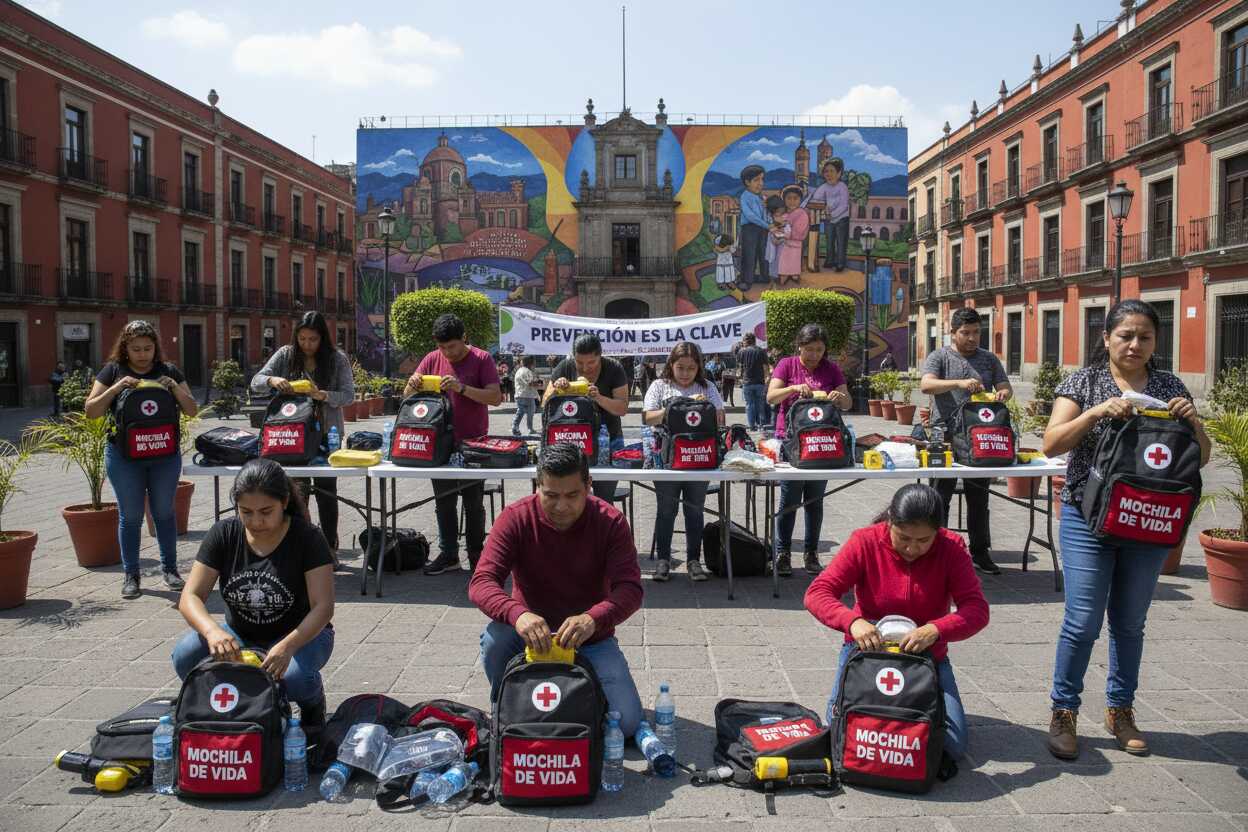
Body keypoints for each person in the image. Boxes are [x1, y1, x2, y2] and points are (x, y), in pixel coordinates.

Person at [1041, 299, 1210, 760]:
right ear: (1107, 338)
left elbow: (1204, 455)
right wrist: (1095, 413)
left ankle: (1121, 710)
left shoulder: (1169, 385)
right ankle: (1064, 712)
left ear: (1156, 341)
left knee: (1130, 623)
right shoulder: (1084, 381)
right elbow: (1052, 442)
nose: (1135, 345)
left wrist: (1192, 423)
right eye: (1126, 336)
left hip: (1146, 518)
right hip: (1086, 516)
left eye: (1145, 337)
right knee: (1082, 622)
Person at [804, 484, 988, 765]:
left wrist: (937, 629)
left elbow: (976, 609)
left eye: (924, 540)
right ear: (890, 521)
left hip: (927, 658)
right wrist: (853, 623)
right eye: (903, 538)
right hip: (867, 656)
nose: (912, 548)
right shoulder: (865, 541)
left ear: (938, 531)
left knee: (951, 746)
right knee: (841, 731)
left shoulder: (952, 548)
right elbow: (818, 593)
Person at [469, 444, 644, 736]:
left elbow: (630, 589)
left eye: (573, 495)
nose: (561, 506)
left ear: (589, 485)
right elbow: (481, 581)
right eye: (550, 495)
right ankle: (510, 703)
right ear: (538, 485)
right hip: (527, 637)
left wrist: (593, 618)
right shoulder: (515, 517)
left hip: (590, 639)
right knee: (494, 640)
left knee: (625, 725)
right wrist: (517, 614)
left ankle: (573, 702)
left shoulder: (610, 521)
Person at [172, 459, 334, 735]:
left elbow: (323, 607)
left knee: (293, 679)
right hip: (239, 633)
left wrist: (289, 646)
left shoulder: (308, 537)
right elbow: (190, 597)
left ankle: (313, 702)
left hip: (303, 635)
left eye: (266, 512)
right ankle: (234, 701)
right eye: (246, 512)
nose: (256, 521)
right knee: (185, 656)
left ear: (284, 502)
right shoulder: (224, 533)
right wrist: (213, 632)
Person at [85, 320, 199, 599]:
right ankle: (131, 575)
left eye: (148, 348)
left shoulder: (169, 370)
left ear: (155, 347)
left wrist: (174, 387)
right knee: (131, 516)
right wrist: (115, 388)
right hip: (124, 456)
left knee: (164, 512)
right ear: (125, 348)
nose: (142, 354)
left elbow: (192, 409)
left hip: (163, 454)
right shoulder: (112, 371)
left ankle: (170, 570)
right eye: (136, 349)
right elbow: (91, 411)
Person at [404, 313, 502, 575]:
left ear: (464, 338)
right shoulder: (431, 359)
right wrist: (412, 385)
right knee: (444, 501)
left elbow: (495, 397)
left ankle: (476, 554)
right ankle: (448, 554)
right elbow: (406, 396)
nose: (447, 353)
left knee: (473, 501)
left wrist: (461, 388)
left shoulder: (482, 358)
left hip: (473, 442)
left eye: (452, 347)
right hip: (438, 443)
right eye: (442, 347)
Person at [251, 311, 355, 557]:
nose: (307, 345)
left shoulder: (337, 359)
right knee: (297, 493)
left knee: (326, 492)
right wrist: (273, 380)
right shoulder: (286, 354)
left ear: (323, 338)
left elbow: (348, 395)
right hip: (292, 434)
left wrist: (323, 395)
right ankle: (301, 549)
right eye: (303, 339)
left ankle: (329, 547)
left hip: (327, 435)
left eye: (313, 340)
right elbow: (256, 380)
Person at [919, 307, 1013, 575]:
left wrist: (1003, 394)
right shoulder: (940, 356)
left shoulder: (989, 359)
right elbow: (926, 385)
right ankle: (938, 551)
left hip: (979, 437)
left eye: (976, 333)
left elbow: (1005, 385)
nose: (972, 338)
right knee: (940, 495)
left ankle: (980, 552)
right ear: (953, 333)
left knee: (978, 498)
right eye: (966, 333)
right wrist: (959, 383)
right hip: (944, 435)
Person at [767, 323, 851, 576]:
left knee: (814, 500)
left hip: (822, 442)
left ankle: (811, 553)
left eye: (819, 350)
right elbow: (771, 397)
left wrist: (839, 397)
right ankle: (782, 553)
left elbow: (847, 402)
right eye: (809, 349)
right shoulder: (787, 364)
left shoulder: (832, 369)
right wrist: (793, 388)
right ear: (799, 346)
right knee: (789, 499)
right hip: (791, 440)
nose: (814, 355)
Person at [643, 342, 725, 582]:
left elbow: (720, 419)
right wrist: (673, 406)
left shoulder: (707, 386)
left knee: (694, 510)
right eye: (681, 367)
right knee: (666, 511)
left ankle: (693, 560)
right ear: (671, 365)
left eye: (691, 368)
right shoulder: (660, 386)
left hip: (699, 458)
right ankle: (663, 560)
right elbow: (647, 417)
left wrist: (705, 406)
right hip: (668, 460)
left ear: (698, 367)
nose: (686, 373)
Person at [542, 334, 630, 503]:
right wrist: (556, 391)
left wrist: (598, 397)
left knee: (604, 501)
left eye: (591, 363)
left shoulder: (614, 368)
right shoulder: (565, 367)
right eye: (579, 362)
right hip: (572, 442)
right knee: (573, 499)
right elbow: (545, 405)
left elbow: (622, 408)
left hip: (608, 441)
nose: (585, 368)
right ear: (573, 356)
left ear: (600, 356)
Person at [801, 158, 851, 272]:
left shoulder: (842, 187)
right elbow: (816, 199)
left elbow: (844, 206)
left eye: (832, 171)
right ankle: (829, 260)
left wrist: (832, 214)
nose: (828, 174)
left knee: (841, 241)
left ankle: (840, 263)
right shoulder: (823, 187)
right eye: (826, 171)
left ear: (839, 173)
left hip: (842, 218)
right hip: (828, 218)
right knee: (829, 240)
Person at [738, 165, 771, 287]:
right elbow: (750, 215)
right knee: (749, 254)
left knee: (764, 253)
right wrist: (767, 225)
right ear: (747, 182)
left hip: (762, 229)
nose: (761, 183)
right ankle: (746, 280)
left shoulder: (760, 197)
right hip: (749, 229)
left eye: (762, 179)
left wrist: (770, 222)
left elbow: (764, 213)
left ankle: (764, 276)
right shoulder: (745, 196)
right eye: (757, 180)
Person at [775, 185, 810, 287]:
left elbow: (799, 231)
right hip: (785, 244)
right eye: (789, 198)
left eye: (795, 198)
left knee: (794, 260)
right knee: (784, 260)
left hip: (795, 242)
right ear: (784, 200)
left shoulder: (802, 214)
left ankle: (794, 276)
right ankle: (785, 277)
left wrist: (785, 233)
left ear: (800, 199)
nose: (792, 201)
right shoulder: (785, 214)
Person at [735, 333, 770, 431]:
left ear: (746, 341)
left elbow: (739, 368)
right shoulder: (761, 351)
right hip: (760, 382)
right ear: (754, 340)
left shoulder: (741, 352)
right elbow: (765, 367)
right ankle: (761, 425)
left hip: (747, 382)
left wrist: (739, 378)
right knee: (760, 404)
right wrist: (767, 378)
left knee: (749, 405)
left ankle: (751, 426)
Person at [511, 355, 540, 437]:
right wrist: (539, 383)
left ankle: (519, 427)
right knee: (527, 412)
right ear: (530, 363)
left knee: (523, 411)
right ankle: (526, 428)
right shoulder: (526, 371)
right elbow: (530, 383)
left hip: (522, 395)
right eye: (534, 362)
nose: (534, 364)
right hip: (526, 395)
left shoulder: (520, 370)